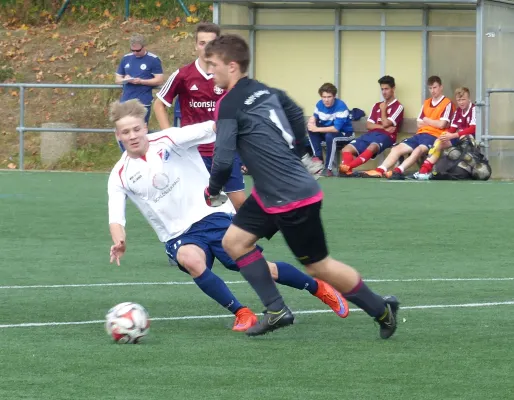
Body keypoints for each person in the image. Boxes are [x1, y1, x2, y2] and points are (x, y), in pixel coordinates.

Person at [203, 34, 399, 338]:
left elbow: (224, 157)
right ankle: (276, 309)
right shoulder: (266, 90)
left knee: (319, 267)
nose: (209, 70)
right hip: (270, 193)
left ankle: (382, 310)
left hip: (292, 198)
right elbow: (295, 112)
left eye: (213, 64)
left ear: (231, 66)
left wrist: (213, 189)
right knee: (234, 242)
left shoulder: (228, 104)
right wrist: (302, 152)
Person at [107, 99, 350, 333]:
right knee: (191, 260)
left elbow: (212, 127)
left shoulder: (170, 139)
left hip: (213, 215)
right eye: (126, 132)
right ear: (118, 136)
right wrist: (120, 240)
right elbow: (116, 216)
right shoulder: (119, 174)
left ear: (145, 127)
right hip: (177, 233)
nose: (132, 136)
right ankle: (242, 313)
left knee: (263, 269)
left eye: (136, 129)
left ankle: (318, 288)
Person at [153, 22, 246, 211]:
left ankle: (241, 240)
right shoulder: (183, 75)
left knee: (240, 205)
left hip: (225, 150)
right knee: (198, 207)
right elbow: (159, 104)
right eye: (202, 43)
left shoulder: (229, 74)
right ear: (195, 46)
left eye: (211, 43)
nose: (206, 48)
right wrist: (170, 137)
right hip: (194, 153)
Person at [361, 76, 453, 180]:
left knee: (418, 150)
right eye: (430, 88)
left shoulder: (447, 103)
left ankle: (398, 170)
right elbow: (419, 123)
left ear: (441, 87)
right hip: (420, 134)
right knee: (397, 149)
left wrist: (427, 121)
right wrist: (433, 122)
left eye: (435, 87)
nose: (433, 91)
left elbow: (442, 125)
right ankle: (380, 170)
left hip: (434, 136)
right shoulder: (427, 102)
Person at [339, 76, 404, 176]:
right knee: (346, 149)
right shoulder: (376, 105)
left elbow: (386, 123)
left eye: (386, 89)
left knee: (373, 146)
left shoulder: (398, 106)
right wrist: (383, 127)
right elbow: (369, 125)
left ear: (393, 89)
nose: (384, 92)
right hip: (371, 134)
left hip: (387, 137)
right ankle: (347, 171)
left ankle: (348, 167)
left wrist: (383, 110)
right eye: (382, 89)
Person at [413, 87, 476, 180]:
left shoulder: (474, 109)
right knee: (439, 141)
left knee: (463, 137)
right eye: (459, 100)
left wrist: (453, 135)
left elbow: (473, 129)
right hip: (459, 137)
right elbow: (452, 129)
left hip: (470, 139)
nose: (461, 102)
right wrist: (444, 136)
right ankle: (424, 170)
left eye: (463, 99)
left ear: (469, 99)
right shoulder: (458, 111)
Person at [115, 33, 163, 127]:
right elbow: (117, 79)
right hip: (126, 101)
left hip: (142, 102)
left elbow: (159, 80)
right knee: (123, 129)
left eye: (138, 50)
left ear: (144, 46)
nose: (135, 53)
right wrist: (125, 79)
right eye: (133, 50)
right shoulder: (126, 58)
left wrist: (142, 81)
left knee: (139, 129)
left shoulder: (153, 60)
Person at [307, 83, 354, 177]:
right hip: (327, 132)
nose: (326, 100)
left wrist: (316, 128)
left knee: (330, 136)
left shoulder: (341, 106)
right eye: (324, 97)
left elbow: (336, 129)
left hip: (345, 134)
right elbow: (315, 116)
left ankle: (328, 168)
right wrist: (311, 121)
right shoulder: (319, 104)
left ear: (334, 96)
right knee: (310, 128)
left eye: (329, 97)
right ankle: (318, 158)